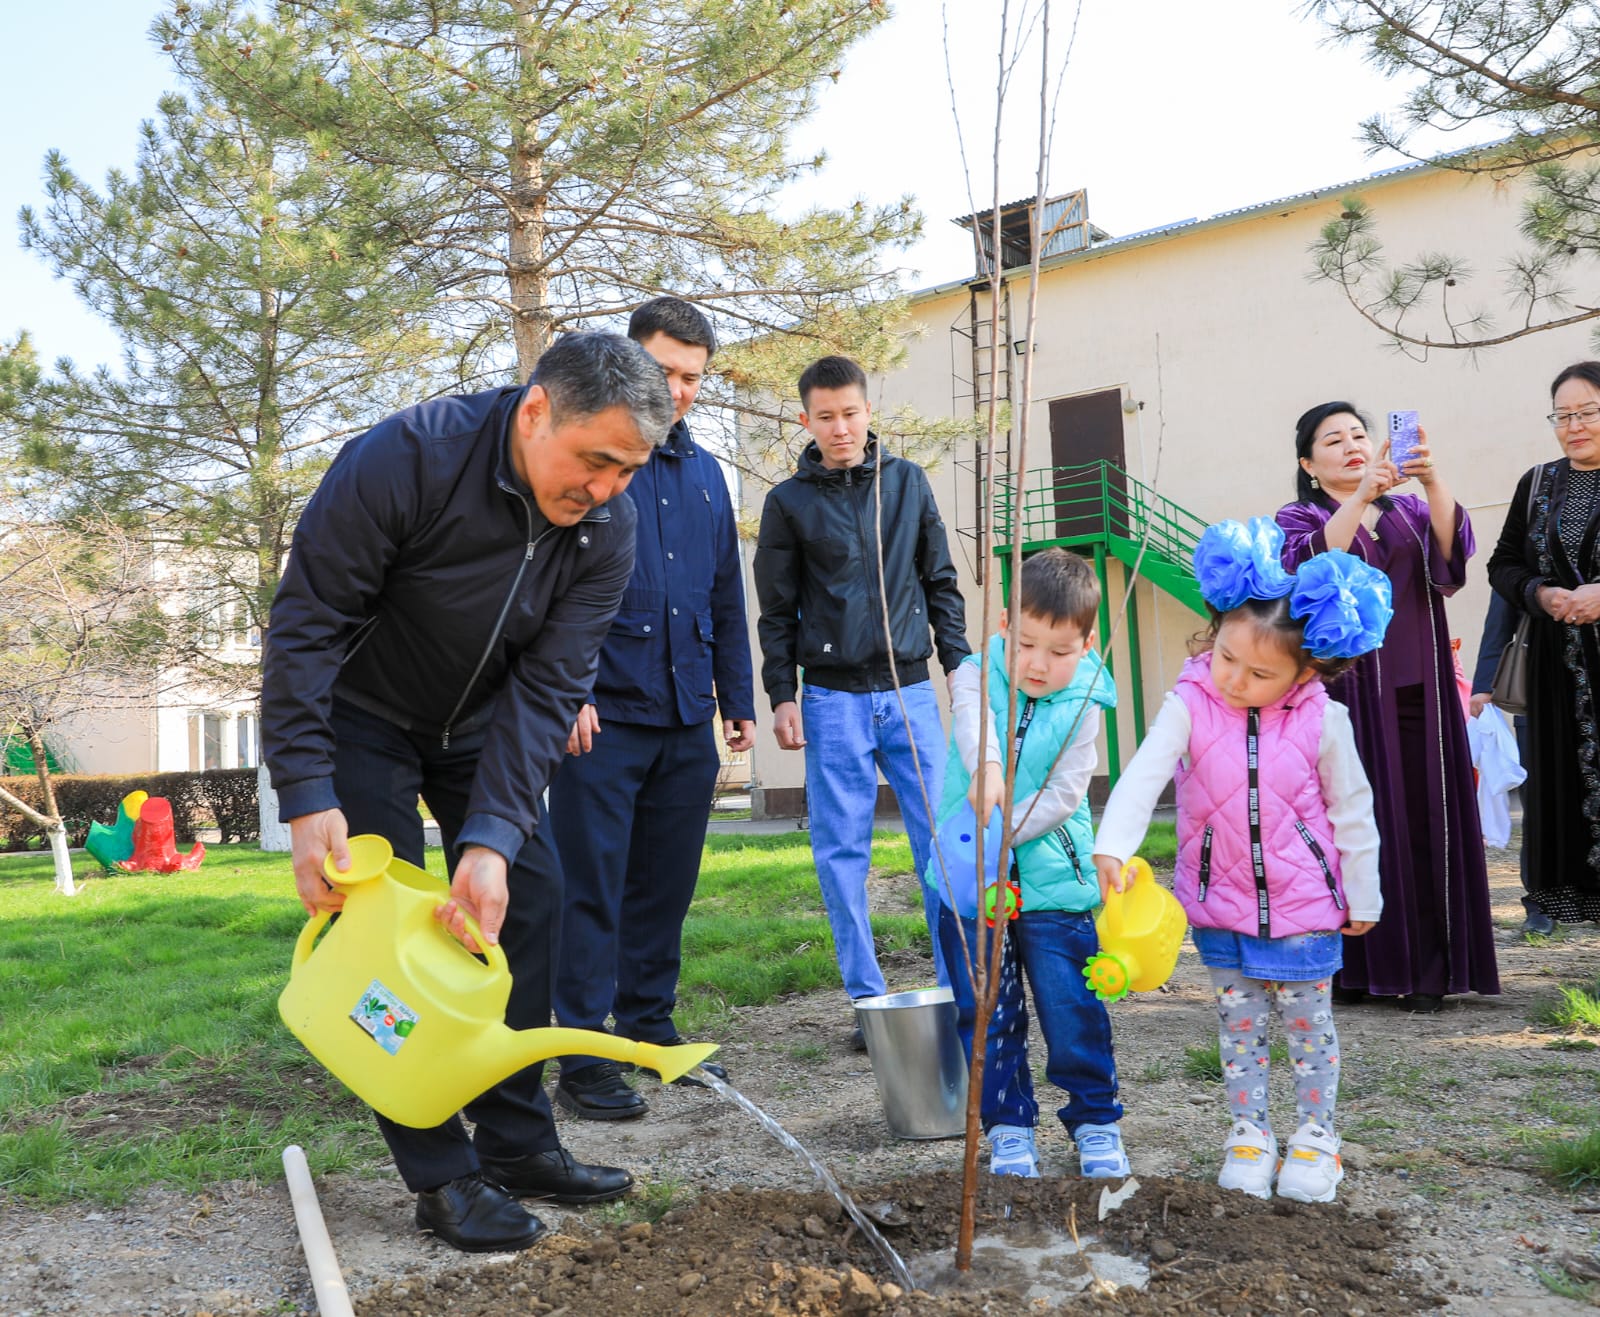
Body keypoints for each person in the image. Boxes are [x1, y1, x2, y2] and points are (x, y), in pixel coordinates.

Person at [261, 332, 675, 1253]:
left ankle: (520, 1142)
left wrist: (489, 840)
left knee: (525, 895)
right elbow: (307, 624)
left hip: (485, 717)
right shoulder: (403, 459)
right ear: (535, 413)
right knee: (383, 943)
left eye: (628, 470)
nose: (606, 488)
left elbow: (550, 684)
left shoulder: (610, 525)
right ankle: (443, 1171)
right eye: (594, 460)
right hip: (360, 711)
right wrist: (305, 788)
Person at [1094, 519, 1390, 1204]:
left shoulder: (1323, 717)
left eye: (1259, 673)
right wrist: (1114, 841)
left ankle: (1317, 1135)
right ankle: (1249, 1132)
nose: (1234, 678)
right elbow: (1145, 770)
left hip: (1305, 908)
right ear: (1215, 635)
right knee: (1240, 1024)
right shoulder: (1190, 702)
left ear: (1304, 670)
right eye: (1226, 657)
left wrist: (1363, 894)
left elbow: (1353, 808)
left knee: (1308, 1026)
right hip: (1220, 904)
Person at [549, 299, 755, 1121]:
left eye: (692, 377)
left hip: (684, 716)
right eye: (665, 370)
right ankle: (584, 1053)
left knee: (665, 887)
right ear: (627, 361)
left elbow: (724, 595)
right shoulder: (590, 459)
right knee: (589, 888)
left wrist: (737, 697)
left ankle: (649, 1029)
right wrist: (568, 689)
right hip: (599, 719)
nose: (678, 389)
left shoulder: (708, 476)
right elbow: (550, 588)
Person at [753, 355, 970, 1029]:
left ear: (869, 411)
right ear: (806, 419)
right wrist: (780, 692)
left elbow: (940, 581)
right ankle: (867, 999)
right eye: (826, 416)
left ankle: (958, 984)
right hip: (831, 699)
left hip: (909, 691)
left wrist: (958, 666)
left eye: (850, 412)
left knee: (942, 843)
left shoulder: (908, 484)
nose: (840, 427)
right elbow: (776, 608)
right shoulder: (787, 503)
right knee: (842, 851)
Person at [1275, 402, 1499, 1012]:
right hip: (1347, 696)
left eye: (1358, 434)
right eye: (1333, 440)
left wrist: (1429, 477)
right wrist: (1361, 496)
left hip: (1420, 690)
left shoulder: (1409, 509)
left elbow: (1452, 565)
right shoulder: (1300, 515)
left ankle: (1431, 971)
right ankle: (1356, 970)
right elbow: (1308, 567)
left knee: (1429, 822)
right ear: (1308, 463)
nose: (1351, 445)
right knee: (1356, 827)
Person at [926, 548, 1128, 1180]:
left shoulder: (1088, 698)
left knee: (1070, 1004)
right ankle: (1009, 1126)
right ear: (1007, 623)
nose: (1039, 664)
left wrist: (1005, 832)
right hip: (970, 873)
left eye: (1061, 651)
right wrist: (987, 770)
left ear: (1088, 641)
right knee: (984, 1005)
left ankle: (1095, 1118)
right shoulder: (973, 674)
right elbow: (972, 728)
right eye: (1028, 644)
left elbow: (1068, 790)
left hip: (1053, 877)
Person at [1488, 360, 1600, 927]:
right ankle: (1566, 909)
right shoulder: (1537, 484)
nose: (1574, 426)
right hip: (1559, 672)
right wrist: (1542, 593)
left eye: (1588, 413)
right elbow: (1502, 564)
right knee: (1565, 794)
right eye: (1563, 416)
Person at [1467, 590, 1549, 934]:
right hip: (1539, 687)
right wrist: (1484, 685)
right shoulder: (1529, 535)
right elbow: (1501, 612)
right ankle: (1544, 901)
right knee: (1541, 803)